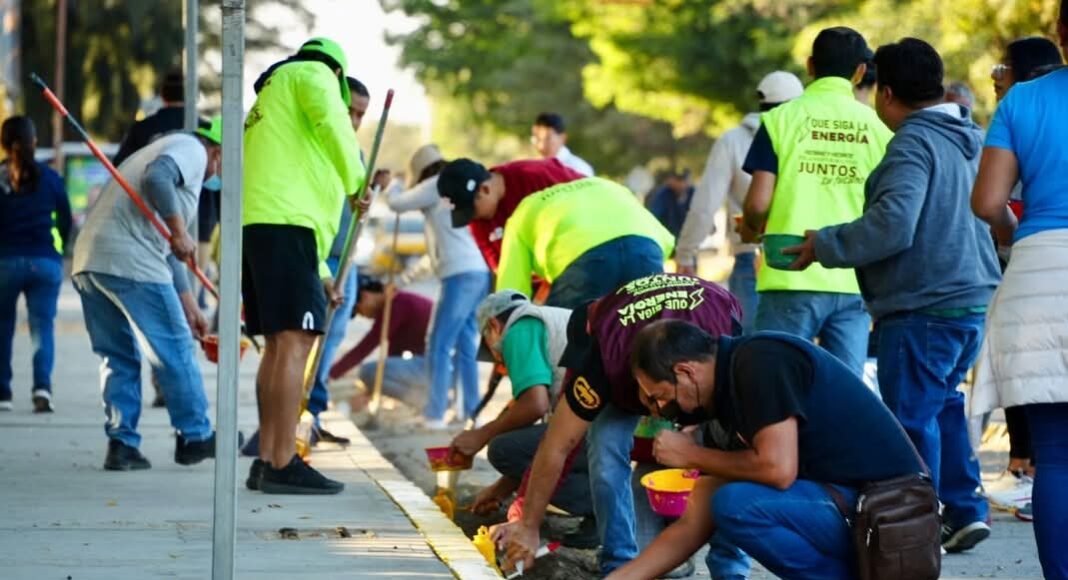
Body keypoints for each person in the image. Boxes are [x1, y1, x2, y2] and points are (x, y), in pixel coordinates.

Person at [786, 38, 999, 552]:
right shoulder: (968, 136)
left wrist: (824, 244)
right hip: (972, 296)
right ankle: (964, 509)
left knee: (907, 420)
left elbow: (892, 225)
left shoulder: (911, 143)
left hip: (925, 302)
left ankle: (915, 528)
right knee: (943, 404)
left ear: (884, 93)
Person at [601, 320, 925, 579]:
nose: (659, 411)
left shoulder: (760, 361)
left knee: (735, 502)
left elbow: (778, 470)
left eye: (659, 397)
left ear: (686, 371)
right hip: (856, 509)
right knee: (718, 494)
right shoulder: (722, 404)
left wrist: (690, 454)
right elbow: (692, 525)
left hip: (893, 512)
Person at [491, 273, 746, 577]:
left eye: (668, 402)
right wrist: (528, 522)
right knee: (605, 451)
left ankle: (730, 571)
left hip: (707, 320)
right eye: (651, 401)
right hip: (626, 346)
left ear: (689, 374)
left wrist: (700, 444)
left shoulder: (721, 348)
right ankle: (617, 561)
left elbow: (747, 458)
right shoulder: (602, 359)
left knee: (726, 456)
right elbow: (559, 443)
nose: (659, 413)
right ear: (632, 376)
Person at [242, 37, 366, 494]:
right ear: (337, 74)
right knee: (296, 342)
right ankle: (281, 460)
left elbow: (295, 184)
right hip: (285, 226)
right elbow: (335, 126)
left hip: (266, 226)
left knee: (279, 344)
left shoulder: (271, 97)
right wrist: (358, 180)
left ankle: (267, 460)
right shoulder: (311, 77)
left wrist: (324, 273)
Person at [970, 4, 1068, 576]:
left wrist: (1017, 235)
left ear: (1061, 32)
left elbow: (987, 202)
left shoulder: (1021, 102)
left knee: (1055, 456)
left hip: (1038, 278)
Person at [739, 26, 893, 375]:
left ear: (809, 65)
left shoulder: (780, 120)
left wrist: (750, 229)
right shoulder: (880, 129)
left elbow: (758, 203)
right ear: (859, 72)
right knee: (845, 395)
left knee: (773, 385)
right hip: (854, 278)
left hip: (789, 274)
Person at [72, 116, 223, 470]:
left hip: (92, 260)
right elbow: (157, 178)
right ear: (218, 151)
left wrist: (190, 305)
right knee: (175, 348)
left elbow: (171, 249)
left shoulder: (166, 150)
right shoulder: (192, 150)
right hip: (132, 261)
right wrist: (177, 228)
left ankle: (122, 445)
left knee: (117, 356)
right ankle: (195, 436)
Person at [437, 158, 674, 309]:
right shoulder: (478, 220)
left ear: (485, 189)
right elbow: (501, 267)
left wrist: (510, 335)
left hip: (581, 266)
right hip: (647, 249)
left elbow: (509, 295)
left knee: (562, 350)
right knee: (641, 335)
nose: (473, 220)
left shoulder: (535, 180)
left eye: (472, 210)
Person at [675, 71, 804, 334]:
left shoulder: (732, 140)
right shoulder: (809, 138)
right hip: (804, 255)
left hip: (750, 255)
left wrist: (686, 254)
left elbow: (705, 203)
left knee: (752, 350)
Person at [452, 291, 591, 520]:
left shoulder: (519, 329)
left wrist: (481, 435)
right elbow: (541, 440)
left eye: (492, 348)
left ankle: (595, 505)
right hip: (606, 427)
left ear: (494, 326)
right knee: (523, 444)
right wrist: (500, 490)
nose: (498, 358)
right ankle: (599, 507)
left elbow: (534, 405)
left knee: (502, 449)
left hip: (596, 430)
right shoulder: (545, 321)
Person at [385, 145, 490, 428]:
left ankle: (435, 413)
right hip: (477, 272)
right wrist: (402, 281)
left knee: (439, 343)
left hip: (460, 275)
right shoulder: (453, 190)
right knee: (465, 344)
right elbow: (433, 257)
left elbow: (397, 204)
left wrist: (391, 184)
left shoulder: (436, 184)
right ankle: (470, 411)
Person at [305, 76, 374, 445]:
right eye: (349, 111)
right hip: (317, 259)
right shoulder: (316, 145)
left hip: (346, 261)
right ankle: (299, 420)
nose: (353, 121)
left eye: (361, 114)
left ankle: (313, 416)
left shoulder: (357, 155)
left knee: (331, 344)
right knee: (311, 344)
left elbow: (355, 206)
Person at [0, 116, 71, 413]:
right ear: (34, 143)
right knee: (43, 327)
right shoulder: (51, 177)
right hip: (45, 262)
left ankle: (3, 393)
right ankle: (42, 388)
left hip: (5, 262)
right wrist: (58, 251)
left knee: (3, 326)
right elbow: (65, 220)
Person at [327, 277, 433, 412]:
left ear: (366, 296)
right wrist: (371, 392)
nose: (363, 316)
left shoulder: (396, 304)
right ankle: (431, 401)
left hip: (434, 367)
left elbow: (364, 348)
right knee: (376, 374)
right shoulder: (396, 305)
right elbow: (392, 359)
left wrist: (329, 375)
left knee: (368, 372)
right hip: (431, 367)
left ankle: (428, 403)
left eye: (359, 311)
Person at [113, 70, 186, 166]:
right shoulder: (202, 128)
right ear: (190, 95)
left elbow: (120, 163)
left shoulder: (142, 128)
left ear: (162, 95)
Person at [531, 112, 593, 177]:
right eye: (537, 139)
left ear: (562, 138)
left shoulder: (579, 169)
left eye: (547, 139)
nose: (541, 146)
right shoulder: (532, 167)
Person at [644, 169, 694, 239]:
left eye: (683, 180)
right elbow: (654, 215)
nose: (681, 184)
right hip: (668, 236)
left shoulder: (693, 193)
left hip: (688, 236)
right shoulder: (663, 194)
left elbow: (702, 212)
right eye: (678, 180)